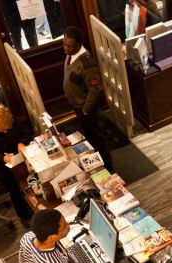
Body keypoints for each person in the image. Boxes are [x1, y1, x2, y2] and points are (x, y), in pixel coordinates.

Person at [62, 26, 112, 171]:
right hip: (78, 106)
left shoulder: (87, 63)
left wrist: (85, 110)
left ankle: (108, 168)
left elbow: (95, 88)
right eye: (64, 44)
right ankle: (97, 166)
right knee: (90, 138)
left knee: (97, 139)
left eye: (70, 46)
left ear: (79, 45)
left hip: (86, 109)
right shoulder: (70, 55)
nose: (66, 48)